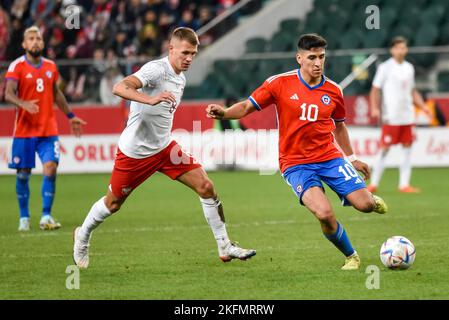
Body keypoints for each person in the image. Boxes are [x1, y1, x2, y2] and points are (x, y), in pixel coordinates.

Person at [73, 27, 256, 269]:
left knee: (206, 186)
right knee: (113, 204)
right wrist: (150, 99)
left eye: (193, 53)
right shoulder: (156, 69)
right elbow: (120, 87)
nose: (189, 58)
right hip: (135, 153)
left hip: (165, 149)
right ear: (171, 49)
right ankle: (83, 235)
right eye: (185, 53)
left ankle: (225, 247)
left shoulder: (181, 77)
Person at [206, 33, 388, 270]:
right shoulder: (279, 83)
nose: (318, 63)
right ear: (299, 58)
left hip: (329, 157)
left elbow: (340, 126)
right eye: (312, 57)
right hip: (295, 163)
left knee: (363, 205)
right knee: (324, 213)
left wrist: (352, 158)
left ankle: (369, 200)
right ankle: (351, 255)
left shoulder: (333, 90)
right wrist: (224, 112)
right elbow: (246, 107)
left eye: (322, 57)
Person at [4, 26, 86, 231]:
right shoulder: (17, 66)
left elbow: (57, 94)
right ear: (24, 44)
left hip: (48, 130)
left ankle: (46, 216)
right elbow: (8, 93)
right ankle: (24, 217)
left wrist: (71, 116)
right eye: (31, 38)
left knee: (51, 168)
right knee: (23, 174)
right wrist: (22, 104)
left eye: (38, 38)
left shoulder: (51, 66)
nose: (35, 42)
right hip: (24, 131)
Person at [368, 36, 430, 194]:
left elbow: (412, 90)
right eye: (398, 48)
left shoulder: (409, 67)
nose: (401, 50)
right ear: (392, 50)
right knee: (384, 148)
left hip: (407, 116)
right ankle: (373, 183)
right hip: (391, 116)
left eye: (403, 47)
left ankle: (404, 184)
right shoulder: (385, 67)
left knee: (408, 148)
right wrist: (375, 108)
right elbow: (375, 89)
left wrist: (423, 106)